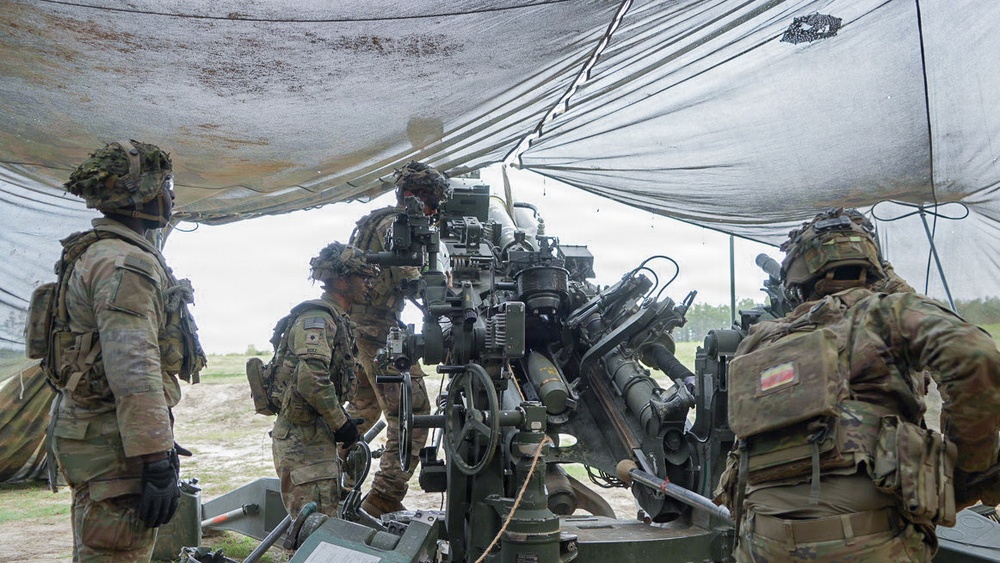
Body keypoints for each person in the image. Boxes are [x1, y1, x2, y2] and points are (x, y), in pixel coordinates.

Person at [716, 207, 1000, 561]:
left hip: (761, 542)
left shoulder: (758, 341)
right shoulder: (885, 312)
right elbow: (976, 356)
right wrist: (967, 469)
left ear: (796, 282)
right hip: (870, 541)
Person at [43, 140, 205, 561]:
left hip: (99, 437)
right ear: (141, 193)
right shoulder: (126, 264)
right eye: (164, 185)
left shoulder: (96, 251)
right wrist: (155, 459)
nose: (170, 197)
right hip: (115, 449)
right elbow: (133, 365)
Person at [345, 161, 448, 516]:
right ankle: (383, 499)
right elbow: (415, 277)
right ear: (413, 197)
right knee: (412, 413)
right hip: (376, 331)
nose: (433, 212)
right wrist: (446, 292)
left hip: (356, 329)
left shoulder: (375, 220)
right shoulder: (396, 225)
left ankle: (339, 488)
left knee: (360, 412)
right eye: (432, 203)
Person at [268, 241, 375, 517]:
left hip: (315, 436)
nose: (369, 284)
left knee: (323, 523)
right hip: (304, 440)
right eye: (362, 277)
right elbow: (311, 378)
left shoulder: (337, 318)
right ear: (341, 280)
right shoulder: (318, 317)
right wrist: (342, 424)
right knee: (316, 528)